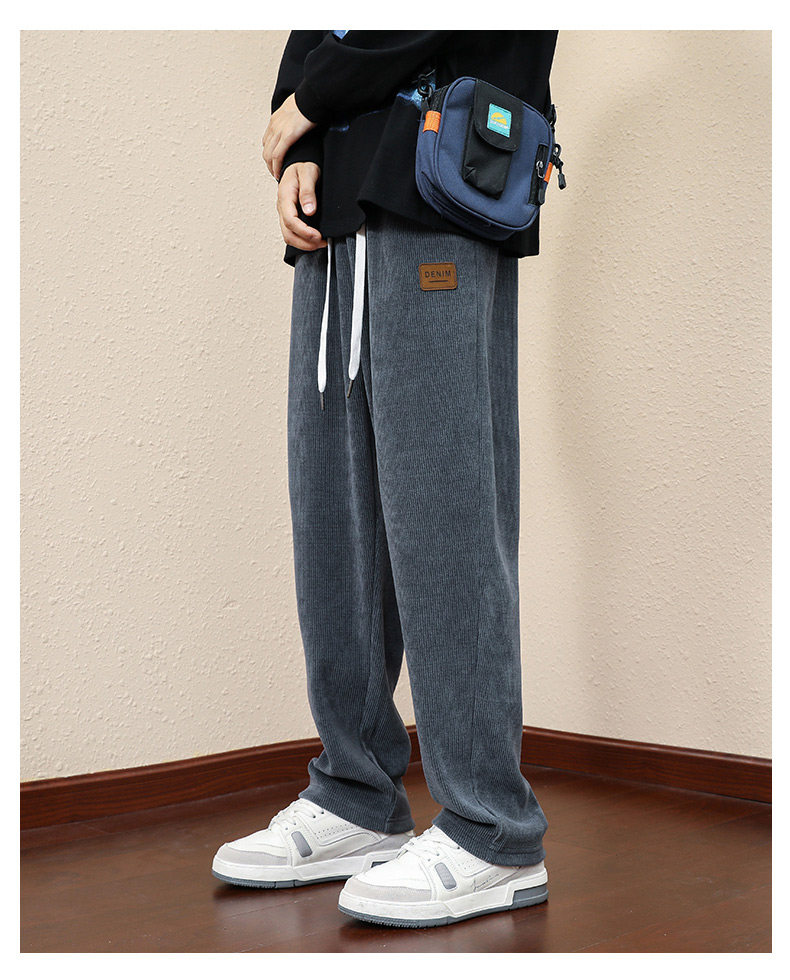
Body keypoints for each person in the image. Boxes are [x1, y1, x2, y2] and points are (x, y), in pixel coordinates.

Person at [212, 30, 559, 929]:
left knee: (446, 506)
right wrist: (301, 138)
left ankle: (492, 828)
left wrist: (311, 99)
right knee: (335, 505)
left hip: (442, 178)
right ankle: (355, 792)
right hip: (342, 193)